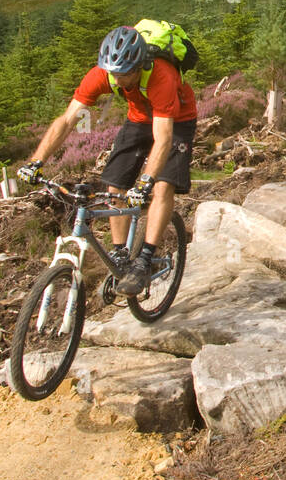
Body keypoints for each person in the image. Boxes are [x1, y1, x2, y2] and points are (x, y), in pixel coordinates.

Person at [17, 25, 197, 296]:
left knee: (162, 186)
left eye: (124, 74)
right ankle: (121, 255)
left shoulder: (161, 75)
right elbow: (67, 120)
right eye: (113, 73)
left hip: (177, 120)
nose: (118, 79)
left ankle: (145, 260)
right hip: (138, 118)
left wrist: (145, 183)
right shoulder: (102, 74)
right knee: (115, 185)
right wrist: (36, 161)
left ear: (139, 65)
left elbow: (163, 138)